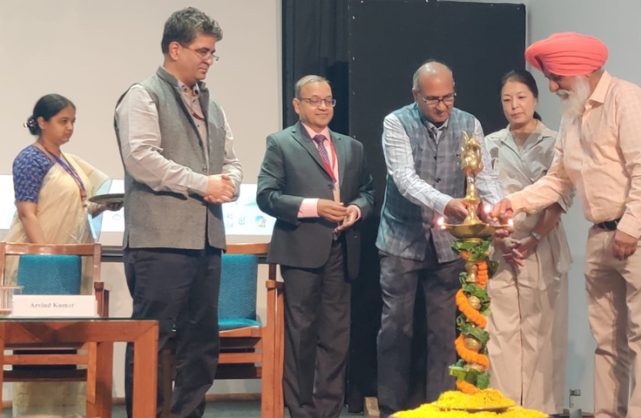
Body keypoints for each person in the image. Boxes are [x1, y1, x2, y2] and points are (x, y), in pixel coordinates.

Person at [493, 32, 641, 418]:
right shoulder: (572, 115)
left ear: (581, 70)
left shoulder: (627, 100)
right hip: (601, 234)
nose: (553, 85)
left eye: (557, 76)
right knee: (607, 338)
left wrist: (629, 227)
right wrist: (514, 202)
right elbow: (559, 179)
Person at [114, 7, 242, 418]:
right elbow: (141, 159)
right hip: (159, 241)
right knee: (154, 340)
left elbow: (231, 160)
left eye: (212, 53)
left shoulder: (213, 104)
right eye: (202, 51)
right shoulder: (143, 95)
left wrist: (232, 183)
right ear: (175, 48)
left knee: (201, 343)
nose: (209, 59)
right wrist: (203, 183)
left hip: (205, 239)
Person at [375, 60, 504, 416]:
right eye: (433, 99)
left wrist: (501, 207)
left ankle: (441, 407)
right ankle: (392, 408)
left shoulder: (469, 123)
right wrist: (447, 203)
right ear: (416, 95)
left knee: (445, 333)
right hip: (402, 240)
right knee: (396, 329)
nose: (442, 106)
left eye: (448, 97)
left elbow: (483, 177)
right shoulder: (396, 122)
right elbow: (404, 177)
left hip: (449, 245)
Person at [257, 74, 374, 418]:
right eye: (314, 100)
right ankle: (301, 410)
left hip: (343, 250)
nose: (323, 106)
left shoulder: (351, 146)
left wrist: (356, 209)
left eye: (328, 100)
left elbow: (367, 191)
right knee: (301, 336)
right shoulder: (281, 143)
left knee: (336, 337)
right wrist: (313, 207)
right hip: (301, 251)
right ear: (297, 105)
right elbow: (267, 196)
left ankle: (328, 410)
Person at [6, 93, 120, 417]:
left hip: (70, 264)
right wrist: (47, 257)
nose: (69, 128)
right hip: (39, 265)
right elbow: (28, 213)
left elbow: (79, 208)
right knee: (38, 341)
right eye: (62, 121)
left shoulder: (69, 162)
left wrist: (105, 204)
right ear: (42, 122)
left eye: (73, 122)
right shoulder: (30, 158)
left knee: (69, 340)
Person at [484, 69, 571, 414]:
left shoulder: (555, 142)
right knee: (501, 329)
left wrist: (535, 237)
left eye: (520, 97)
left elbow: (560, 198)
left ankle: (539, 407)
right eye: (506, 99)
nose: (514, 105)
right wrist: (498, 236)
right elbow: (483, 197)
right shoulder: (490, 143)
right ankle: (502, 406)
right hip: (502, 242)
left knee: (541, 327)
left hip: (542, 240)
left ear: (535, 99)